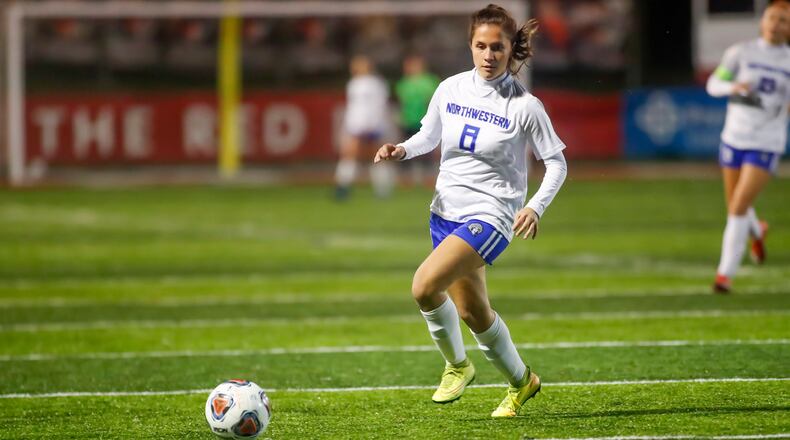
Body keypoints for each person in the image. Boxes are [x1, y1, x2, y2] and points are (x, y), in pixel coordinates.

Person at [374, 4, 567, 418]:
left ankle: (457, 366)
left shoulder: (525, 106)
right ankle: (523, 382)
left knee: (424, 286)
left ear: (510, 49)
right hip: (446, 212)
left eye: (496, 47)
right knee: (473, 313)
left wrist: (534, 207)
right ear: (470, 47)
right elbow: (430, 134)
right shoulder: (451, 88)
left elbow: (557, 163)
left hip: (492, 215)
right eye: (480, 46)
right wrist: (402, 148)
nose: (488, 55)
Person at [706, 1, 790, 293]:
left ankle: (723, 276)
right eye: (772, 17)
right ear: (762, 20)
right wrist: (732, 87)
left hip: (766, 140)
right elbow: (714, 83)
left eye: (783, 20)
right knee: (736, 206)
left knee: (739, 205)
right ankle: (758, 230)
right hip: (734, 137)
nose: (776, 24)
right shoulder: (741, 53)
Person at [334, 55, 393, 200]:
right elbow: (382, 104)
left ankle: (343, 187)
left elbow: (357, 107)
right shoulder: (378, 83)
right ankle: (383, 189)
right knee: (376, 155)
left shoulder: (356, 83)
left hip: (359, 124)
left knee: (350, 155)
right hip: (374, 123)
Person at [395, 54, 441, 187]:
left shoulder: (429, 81)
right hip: (408, 121)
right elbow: (401, 103)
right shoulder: (403, 83)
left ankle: (428, 179)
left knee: (426, 151)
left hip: (424, 121)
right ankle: (407, 181)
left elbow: (432, 101)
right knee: (406, 148)